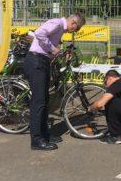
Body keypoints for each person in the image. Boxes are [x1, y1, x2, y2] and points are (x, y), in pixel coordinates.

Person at [24, 13, 85, 151]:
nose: (74, 31)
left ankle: (44, 134)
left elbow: (48, 42)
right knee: (38, 102)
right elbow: (39, 33)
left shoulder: (59, 28)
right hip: (36, 61)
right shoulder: (57, 23)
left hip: (42, 61)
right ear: (73, 23)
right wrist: (53, 49)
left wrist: (59, 51)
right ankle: (37, 140)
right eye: (76, 29)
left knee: (44, 100)